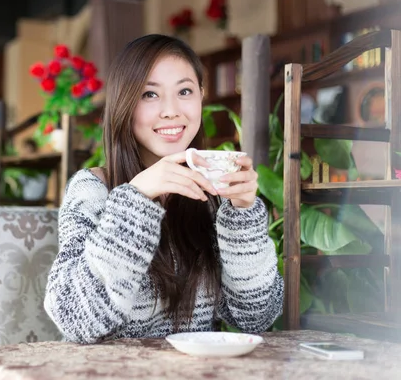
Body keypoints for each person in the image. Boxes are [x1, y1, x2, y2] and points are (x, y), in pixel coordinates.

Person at [43, 34, 283, 344]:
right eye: (149, 94)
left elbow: (256, 318)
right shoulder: (93, 190)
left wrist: (243, 215)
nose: (171, 110)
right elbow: (75, 319)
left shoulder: (210, 195)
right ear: (124, 104)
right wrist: (137, 199)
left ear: (200, 96)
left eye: (184, 91)